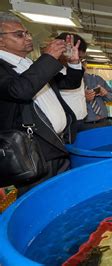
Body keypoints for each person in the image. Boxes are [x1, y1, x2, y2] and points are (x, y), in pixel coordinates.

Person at [0, 12, 83, 194]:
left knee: (65, 196)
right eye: (19, 34)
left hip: (56, 146)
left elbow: (69, 83)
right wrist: (48, 58)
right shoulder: (4, 69)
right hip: (32, 153)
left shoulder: (28, 65)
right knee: (43, 201)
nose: (28, 38)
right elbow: (20, 90)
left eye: (27, 33)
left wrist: (75, 62)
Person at [57, 33, 88, 133]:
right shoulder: (52, 71)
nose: (78, 60)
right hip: (66, 122)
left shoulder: (76, 69)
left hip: (82, 119)